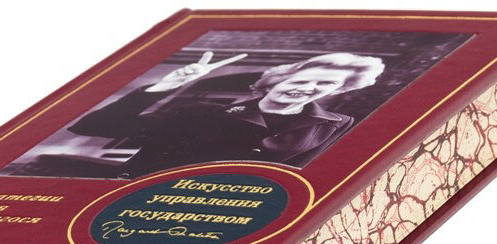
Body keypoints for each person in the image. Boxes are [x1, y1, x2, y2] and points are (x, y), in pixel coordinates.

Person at [58, 51, 385, 179]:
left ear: (339, 90)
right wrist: (163, 87)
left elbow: (303, 176)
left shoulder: (334, 125)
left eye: (326, 84)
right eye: (301, 80)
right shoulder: (199, 114)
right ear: (277, 80)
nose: (308, 88)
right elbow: (93, 126)